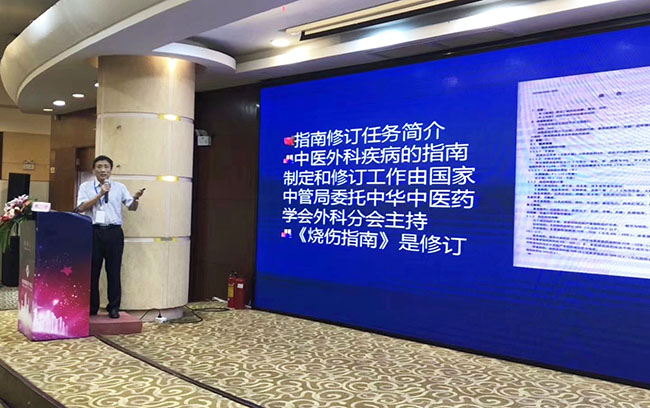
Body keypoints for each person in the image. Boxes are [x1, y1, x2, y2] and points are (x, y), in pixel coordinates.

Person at [76, 155, 144, 318]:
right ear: (94, 170)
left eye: (106, 167)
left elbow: (132, 207)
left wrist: (135, 198)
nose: (103, 170)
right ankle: (92, 307)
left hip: (114, 233)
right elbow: (81, 208)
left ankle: (113, 307)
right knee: (93, 271)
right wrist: (100, 194)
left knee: (114, 271)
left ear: (111, 170)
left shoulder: (119, 187)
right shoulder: (86, 187)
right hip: (94, 231)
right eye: (99, 167)